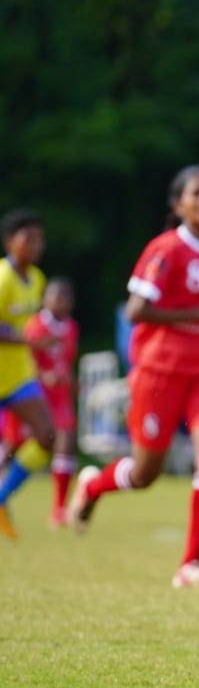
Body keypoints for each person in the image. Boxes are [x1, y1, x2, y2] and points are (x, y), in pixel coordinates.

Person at [68, 165, 199, 588]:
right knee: (145, 474)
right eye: (197, 193)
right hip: (160, 371)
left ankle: (191, 564)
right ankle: (93, 487)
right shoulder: (166, 249)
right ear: (178, 204)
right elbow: (137, 311)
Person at [1, 277, 80, 527]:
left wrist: (72, 382)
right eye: (56, 296)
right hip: (31, 392)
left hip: (60, 397)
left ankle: (58, 510)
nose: (61, 302)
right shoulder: (34, 326)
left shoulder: (71, 328)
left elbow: (65, 361)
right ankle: (2, 495)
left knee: (61, 442)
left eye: (66, 298)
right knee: (12, 446)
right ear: (45, 299)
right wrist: (44, 376)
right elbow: (25, 358)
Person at [0, 209, 58, 539]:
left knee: (46, 436)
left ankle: (1, 497)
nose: (36, 245)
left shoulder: (36, 279)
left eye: (40, 239)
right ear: (10, 242)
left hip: (18, 376)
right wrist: (29, 341)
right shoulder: (2, 278)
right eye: (28, 238)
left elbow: (25, 327)